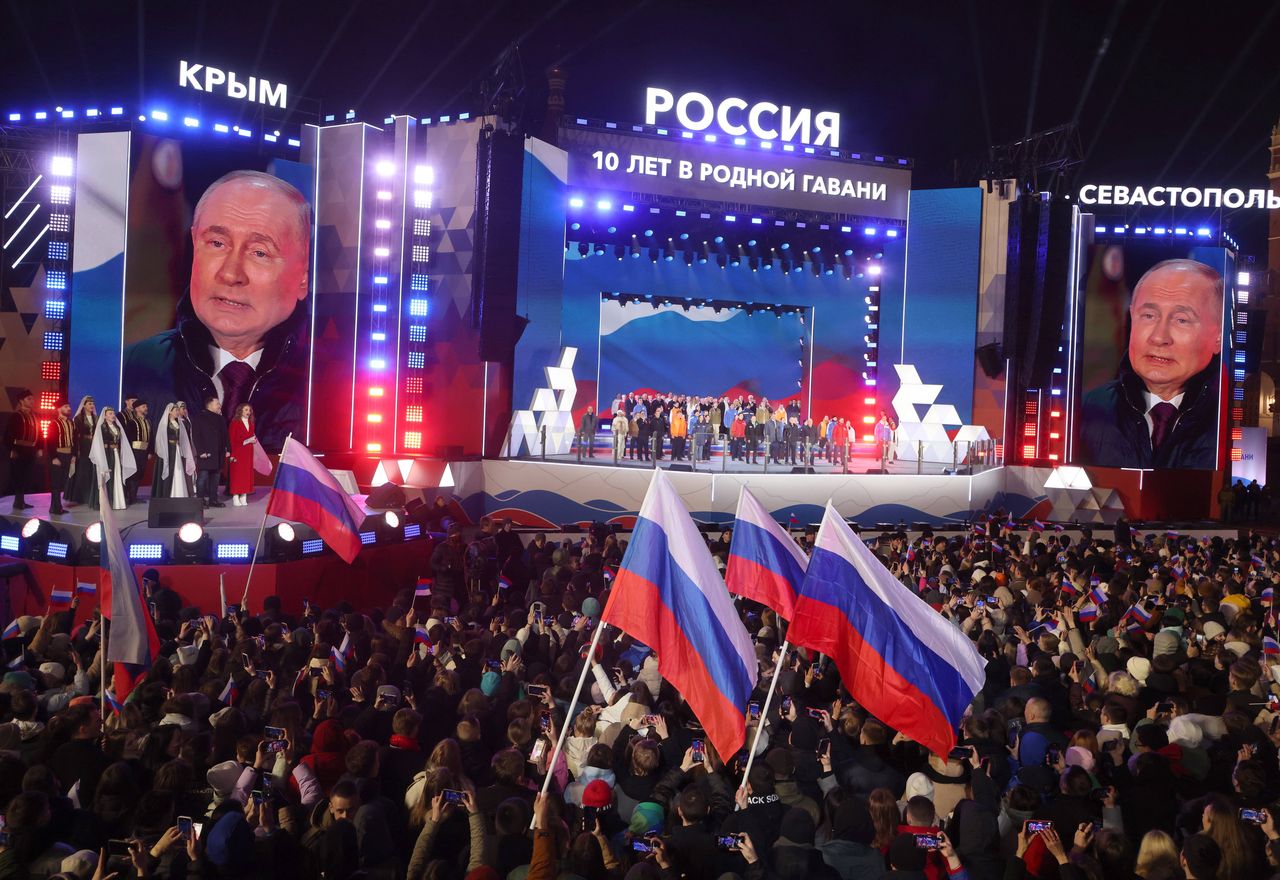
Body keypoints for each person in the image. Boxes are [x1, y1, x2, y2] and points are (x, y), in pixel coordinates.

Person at [122, 170, 312, 451]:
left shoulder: (339, 389)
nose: (230, 274)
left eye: (259, 252)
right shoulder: (131, 369)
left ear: (303, 277)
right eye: (217, 243)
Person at [1080, 259, 1223, 469]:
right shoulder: (1085, 412)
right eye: (1148, 316)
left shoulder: (1227, 423)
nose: (1159, 337)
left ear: (1218, 337)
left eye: (1181, 320)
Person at [89, 407, 136, 511]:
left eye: (113, 413)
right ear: (105, 416)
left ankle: (117, 501)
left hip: (116, 453)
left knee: (117, 474)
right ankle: (106, 502)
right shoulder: (102, 427)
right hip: (107, 454)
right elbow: (98, 443)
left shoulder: (117, 427)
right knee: (108, 475)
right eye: (110, 414)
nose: (113, 415)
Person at [190, 396, 230, 508]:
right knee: (203, 477)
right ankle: (200, 501)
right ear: (210, 405)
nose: (219, 405)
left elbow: (225, 435)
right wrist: (201, 451)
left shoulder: (220, 418)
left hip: (218, 454)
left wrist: (228, 449)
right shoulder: (199, 418)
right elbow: (196, 436)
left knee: (215, 478)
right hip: (206, 454)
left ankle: (213, 500)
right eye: (217, 403)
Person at [6, 389, 41, 511]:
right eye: (29, 399)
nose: (32, 401)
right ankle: (18, 502)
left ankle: (21, 501)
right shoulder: (16, 416)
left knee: (27, 476)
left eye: (32, 398)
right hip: (19, 450)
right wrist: (12, 449)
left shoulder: (34, 416)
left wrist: (39, 448)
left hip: (31, 450)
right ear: (21, 401)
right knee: (18, 476)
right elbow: (8, 435)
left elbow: (40, 433)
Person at [153, 403, 196, 498]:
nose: (177, 412)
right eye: (175, 410)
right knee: (170, 469)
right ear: (170, 412)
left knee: (178, 469)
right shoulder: (165, 424)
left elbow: (183, 438)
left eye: (177, 410)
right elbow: (161, 439)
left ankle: (180, 493)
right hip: (169, 450)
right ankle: (168, 493)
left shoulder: (179, 423)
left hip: (176, 450)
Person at [65, 395, 96, 505]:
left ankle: (91, 495)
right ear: (84, 405)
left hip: (93, 446)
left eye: (93, 404)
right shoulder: (78, 418)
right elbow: (75, 435)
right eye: (89, 404)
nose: (92, 406)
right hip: (83, 446)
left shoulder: (96, 418)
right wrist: (76, 451)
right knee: (83, 470)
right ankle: (80, 496)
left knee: (92, 470)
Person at [45, 400, 74, 515]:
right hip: (58, 455)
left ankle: (56, 507)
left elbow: (74, 441)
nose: (69, 409)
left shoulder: (71, 423)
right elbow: (50, 441)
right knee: (56, 483)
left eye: (69, 406)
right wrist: (54, 457)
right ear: (59, 409)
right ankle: (56, 507)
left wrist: (74, 455)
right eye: (66, 406)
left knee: (63, 481)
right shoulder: (54, 424)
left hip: (68, 455)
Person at [122, 398, 152, 505]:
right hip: (134, 451)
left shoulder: (147, 422)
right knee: (133, 473)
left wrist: (150, 451)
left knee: (140, 473)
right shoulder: (132, 422)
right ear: (137, 409)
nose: (146, 408)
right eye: (144, 406)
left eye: (146, 406)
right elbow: (127, 438)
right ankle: (130, 496)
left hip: (144, 451)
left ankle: (134, 496)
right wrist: (129, 452)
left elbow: (150, 437)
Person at [228, 403, 259, 505]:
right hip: (237, 452)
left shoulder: (251, 423)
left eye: (249, 410)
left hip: (248, 452)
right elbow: (232, 439)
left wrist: (252, 440)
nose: (248, 412)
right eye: (246, 410)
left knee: (246, 474)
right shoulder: (235, 423)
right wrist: (231, 453)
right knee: (237, 474)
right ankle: (235, 496)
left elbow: (250, 436)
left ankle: (244, 495)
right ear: (240, 411)